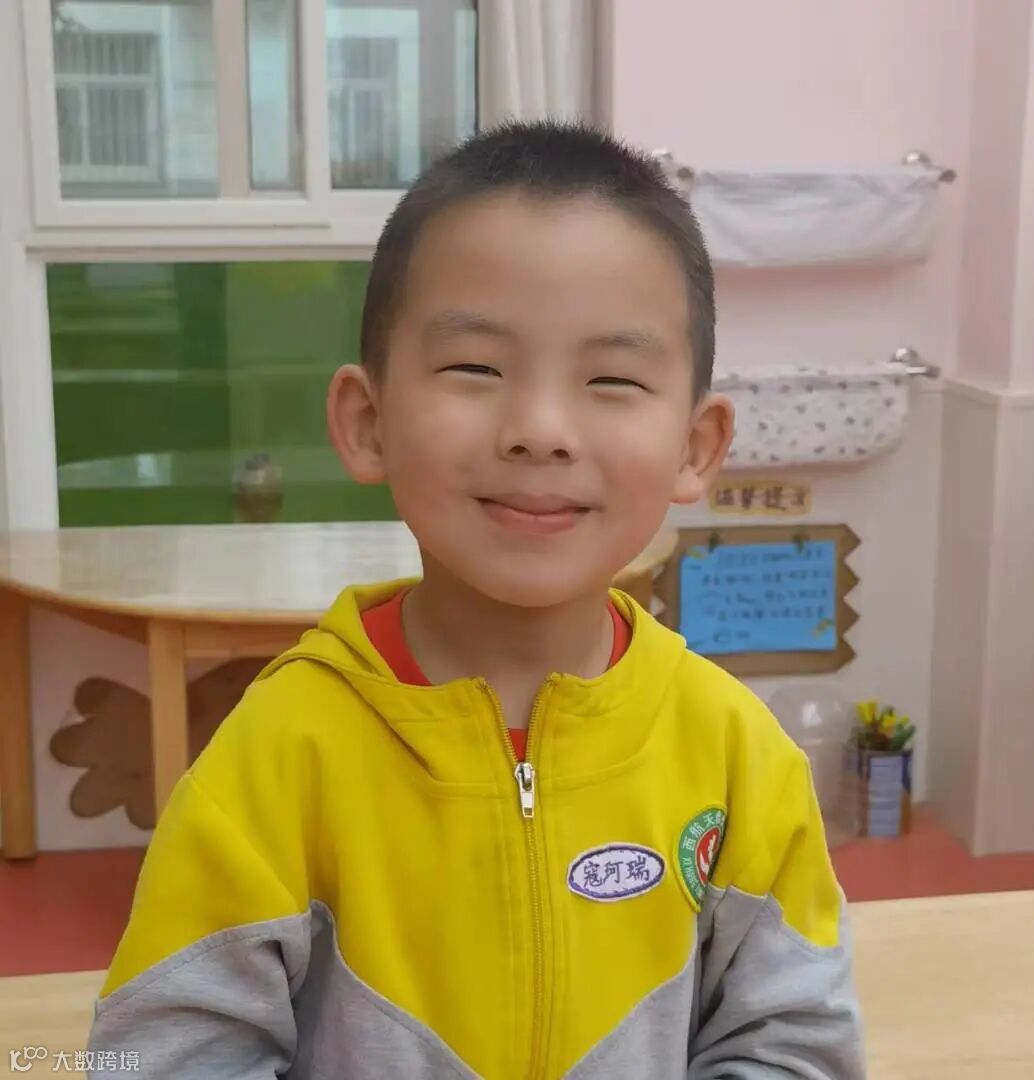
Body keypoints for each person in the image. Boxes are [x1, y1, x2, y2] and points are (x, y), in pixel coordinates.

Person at [88, 120, 864, 1079]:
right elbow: (159, 1055)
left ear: (695, 447)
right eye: (475, 369)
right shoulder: (276, 756)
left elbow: (794, 1045)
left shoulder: (741, 759)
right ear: (368, 421)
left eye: (613, 379)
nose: (540, 429)